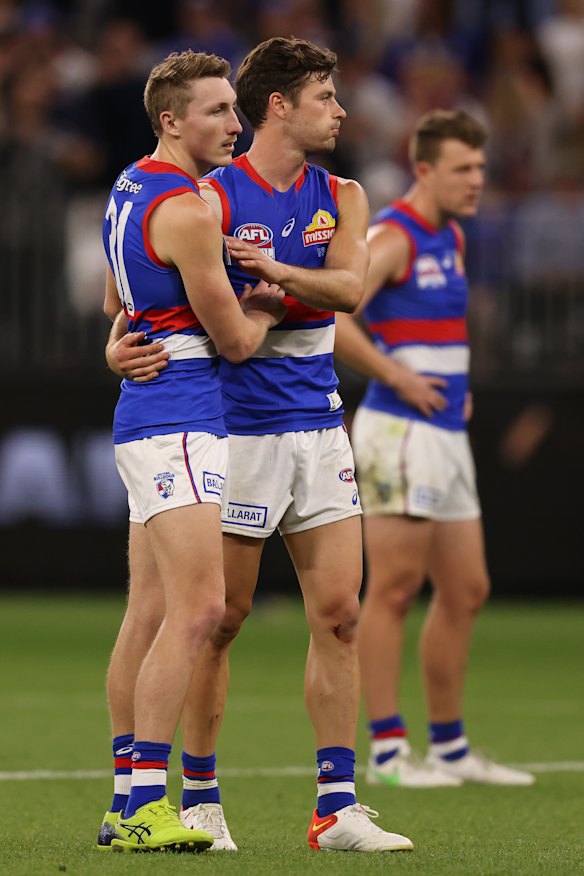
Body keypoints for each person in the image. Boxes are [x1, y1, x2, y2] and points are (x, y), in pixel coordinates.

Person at [104, 37, 413, 853]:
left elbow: (350, 288)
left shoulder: (342, 194)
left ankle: (336, 808)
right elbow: (124, 291)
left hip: (318, 425)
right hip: (237, 428)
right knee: (221, 618)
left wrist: (275, 274)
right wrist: (114, 348)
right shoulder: (206, 196)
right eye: (326, 96)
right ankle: (200, 798)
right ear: (284, 105)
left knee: (341, 615)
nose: (341, 110)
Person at [99, 49, 286, 853]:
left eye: (234, 111)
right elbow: (239, 343)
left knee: (148, 611)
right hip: (180, 417)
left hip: (146, 407)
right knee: (202, 610)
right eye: (216, 111)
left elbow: (117, 302)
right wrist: (273, 305)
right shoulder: (189, 208)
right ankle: (146, 804)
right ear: (171, 120)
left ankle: (123, 801)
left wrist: (115, 351)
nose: (235, 125)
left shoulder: (130, 184)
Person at [334, 109, 535, 788]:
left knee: (467, 588)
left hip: (444, 431)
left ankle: (449, 746)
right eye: (464, 169)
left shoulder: (451, 236)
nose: (478, 180)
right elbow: (335, 316)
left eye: (481, 168)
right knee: (392, 590)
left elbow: (439, 330)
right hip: (398, 432)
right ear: (424, 170)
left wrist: (456, 385)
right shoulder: (393, 235)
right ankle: (389, 751)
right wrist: (395, 375)